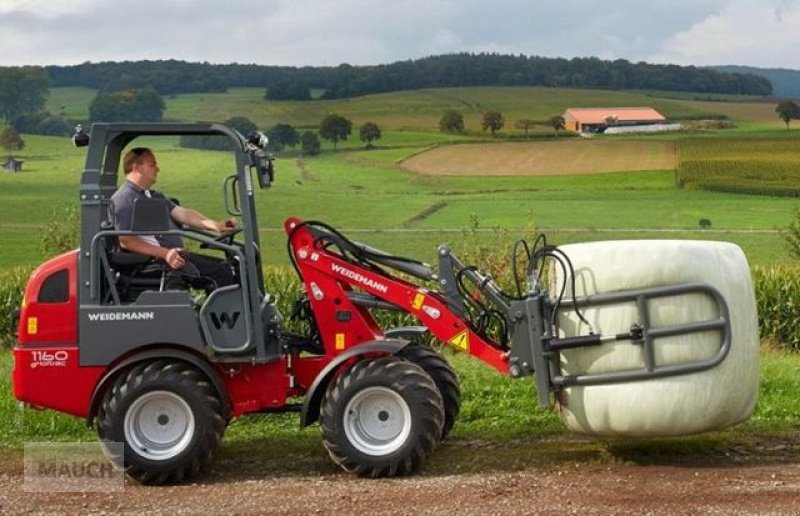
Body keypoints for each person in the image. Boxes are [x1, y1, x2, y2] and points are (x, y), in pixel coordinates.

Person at [111, 147, 238, 292]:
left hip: (175, 257)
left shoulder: (153, 196)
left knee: (225, 267)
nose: (157, 169)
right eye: (152, 164)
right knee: (222, 273)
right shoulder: (124, 198)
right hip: (160, 262)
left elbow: (183, 214)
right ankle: (225, 315)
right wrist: (166, 254)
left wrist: (215, 225)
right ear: (137, 167)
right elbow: (126, 241)